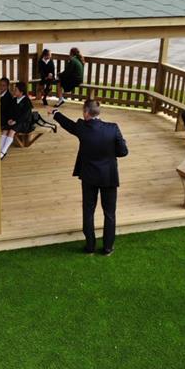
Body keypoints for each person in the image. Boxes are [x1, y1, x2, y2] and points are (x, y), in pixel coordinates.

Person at [50, 100, 128, 255]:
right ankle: (107, 248)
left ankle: (90, 246)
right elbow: (123, 152)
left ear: (86, 112)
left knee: (88, 211)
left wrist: (55, 114)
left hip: (89, 177)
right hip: (109, 177)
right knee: (110, 213)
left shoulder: (82, 128)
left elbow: (69, 125)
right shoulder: (113, 129)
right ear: (98, 112)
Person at [0, 81, 33, 160]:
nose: (14, 91)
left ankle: (3, 152)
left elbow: (25, 116)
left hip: (23, 123)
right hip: (14, 121)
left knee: (11, 131)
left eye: (16, 90)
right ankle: (0, 149)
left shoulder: (26, 101)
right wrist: (9, 119)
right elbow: (10, 111)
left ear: (21, 92)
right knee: (5, 130)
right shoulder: (14, 100)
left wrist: (16, 121)